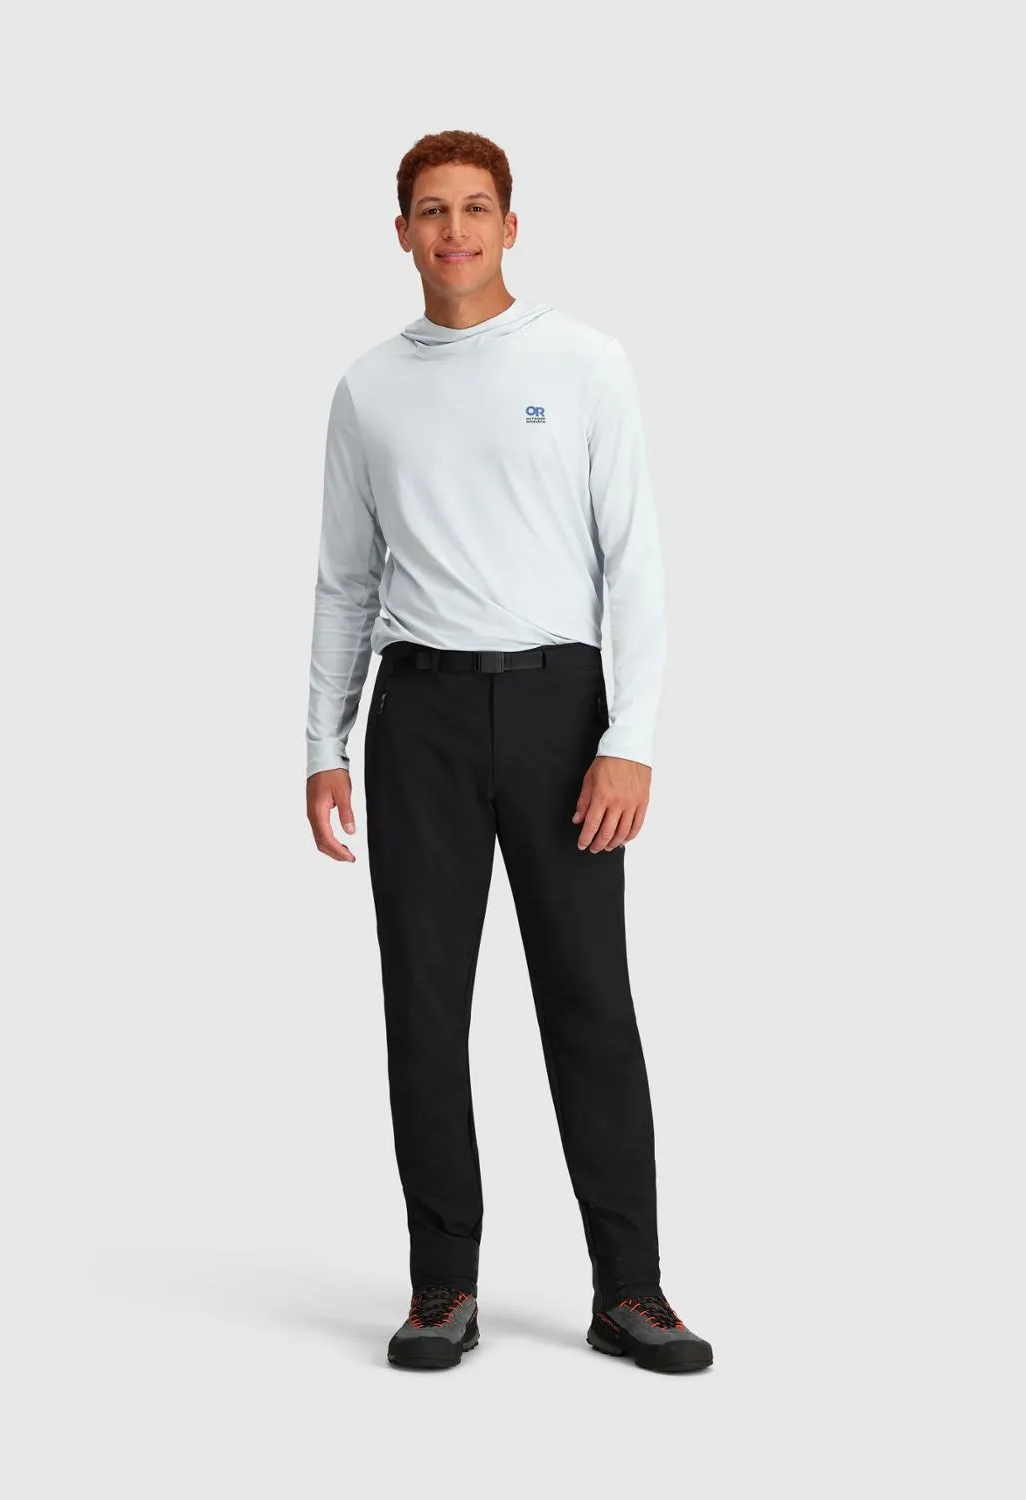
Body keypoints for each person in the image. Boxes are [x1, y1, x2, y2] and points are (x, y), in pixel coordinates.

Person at [303, 130, 712, 1375]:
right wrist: (323, 742)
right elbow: (345, 582)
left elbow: (634, 562)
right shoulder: (369, 389)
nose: (455, 231)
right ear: (401, 233)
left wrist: (629, 740)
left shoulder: (584, 364)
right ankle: (443, 1287)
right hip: (419, 717)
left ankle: (630, 1290)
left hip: (559, 712)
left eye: (476, 208)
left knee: (590, 1000)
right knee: (424, 1009)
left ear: (511, 227)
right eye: (431, 210)